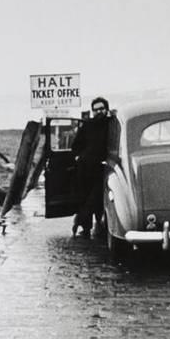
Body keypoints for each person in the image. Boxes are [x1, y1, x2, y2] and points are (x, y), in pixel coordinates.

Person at [70, 96, 111, 237]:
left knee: (97, 198)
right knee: (84, 197)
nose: (99, 112)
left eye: (101, 109)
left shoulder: (112, 125)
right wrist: (78, 157)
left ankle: (92, 222)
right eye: (96, 110)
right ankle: (85, 228)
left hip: (103, 167)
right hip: (85, 167)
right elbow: (76, 145)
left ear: (107, 109)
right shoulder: (87, 125)